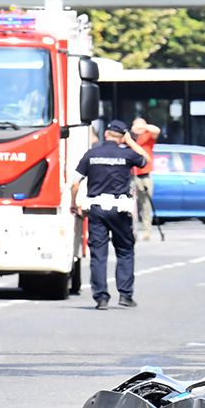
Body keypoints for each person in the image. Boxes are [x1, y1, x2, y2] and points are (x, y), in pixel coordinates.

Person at [70, 119, 150, 310]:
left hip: (96, 209)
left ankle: (101, 298)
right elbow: (145, 159)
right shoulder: (127, 154)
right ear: (123, 136)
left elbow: (75, 182)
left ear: (106, 134)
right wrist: (130, 142)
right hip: (120, 209)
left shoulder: (91, 154)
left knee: (98, 254)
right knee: (125, 250)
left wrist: (73, 203)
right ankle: (125, 294)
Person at [129, 117, 161, 241]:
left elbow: (156, 130)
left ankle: (146, 231)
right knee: (131, 205)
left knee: (146, 205)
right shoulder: (130, 139)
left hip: (144, 175)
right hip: (132, 175)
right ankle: (131, 231)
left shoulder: (147, 137)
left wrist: (143, 127)